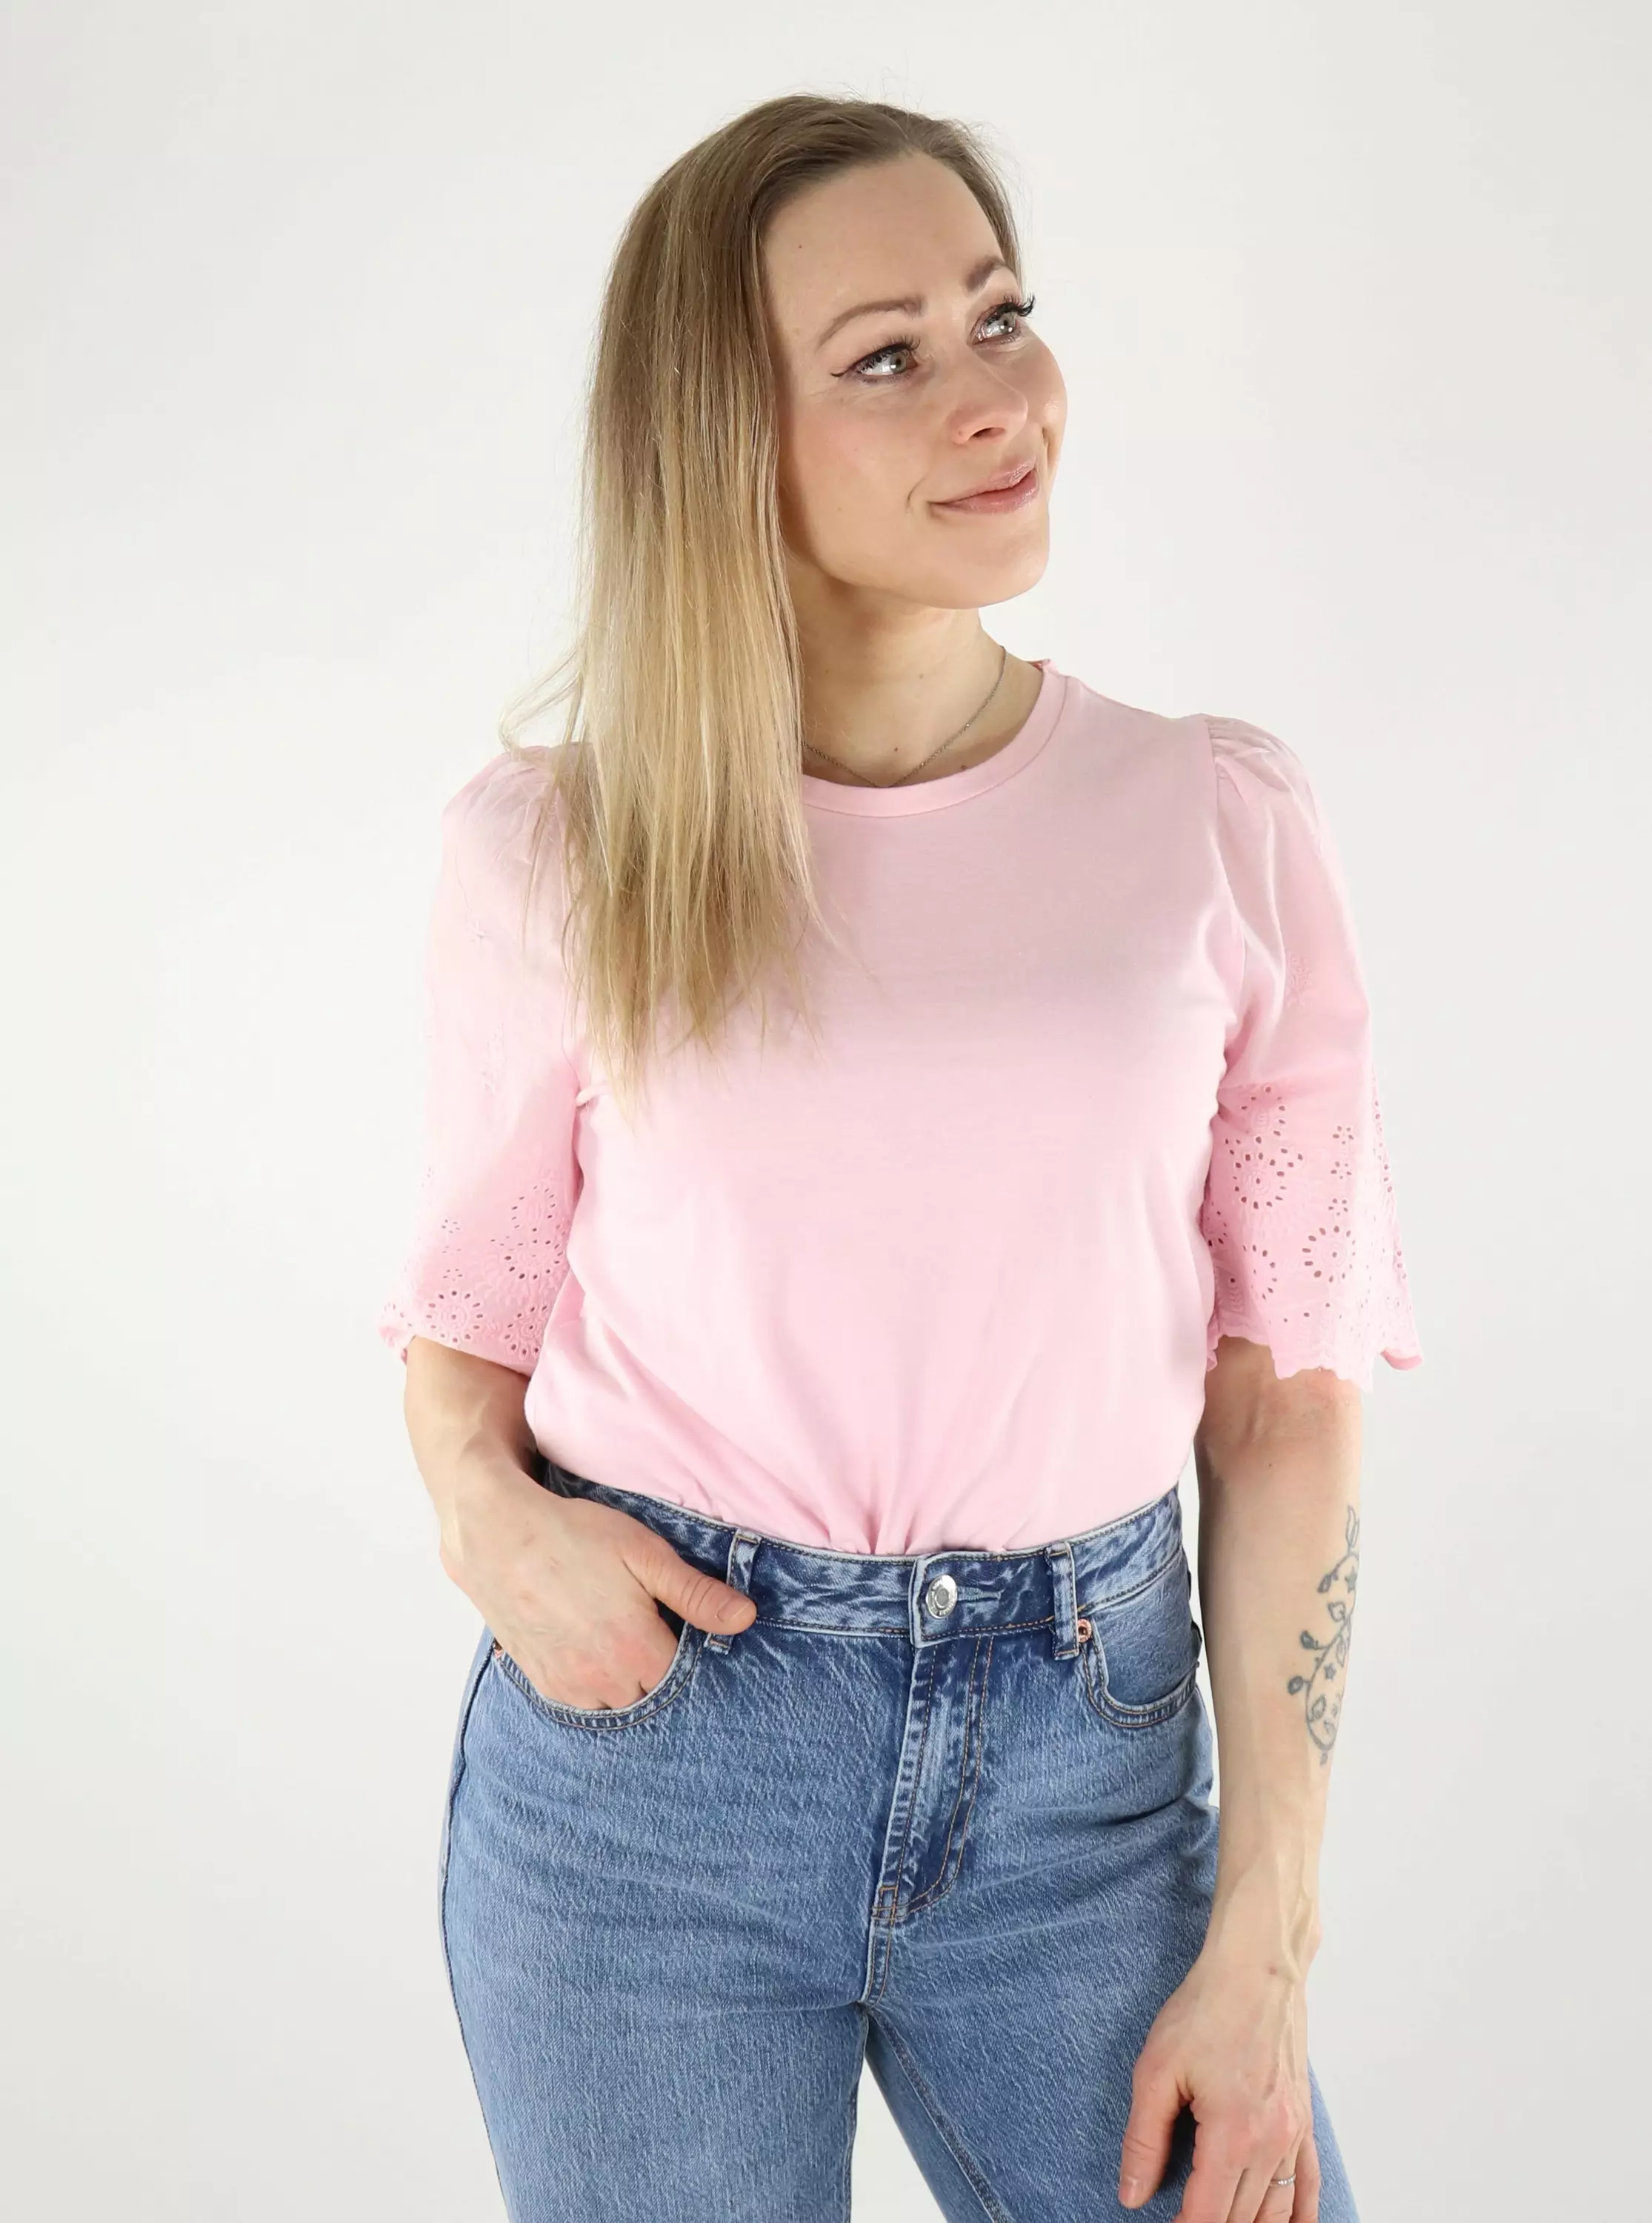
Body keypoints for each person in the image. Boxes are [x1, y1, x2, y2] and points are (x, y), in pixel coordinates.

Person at [377, 92, 1421, 2223]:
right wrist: (490, 1523)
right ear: (723, 439)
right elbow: (468, 1311)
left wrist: (1270, 1933)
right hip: (651, 1789)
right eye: (888, 356)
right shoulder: (561, 849)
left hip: (1087, 1780)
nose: (995, 398)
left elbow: (1286, 1399)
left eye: (1000, 316)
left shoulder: (1212, 822)